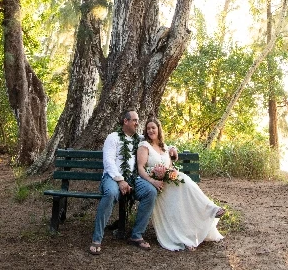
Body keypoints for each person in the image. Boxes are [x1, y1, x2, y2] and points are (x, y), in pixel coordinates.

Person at [137, 116, 225, 251]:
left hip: (170, 182)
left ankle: (209, 210)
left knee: (187, 186)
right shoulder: (144, 146)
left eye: (153, 128)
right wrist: (153, 179)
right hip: (156, 185)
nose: (150, 130)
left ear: (159, 129)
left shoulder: (165, 147)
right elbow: (141, 168)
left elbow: (170, 166)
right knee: (180, 194)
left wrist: (168, 172)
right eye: (148, 128)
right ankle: (182, 238)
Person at [90, 109, 159, 255]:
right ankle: (97, 238)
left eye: (137, 120)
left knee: (150, 191)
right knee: (111, 193)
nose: (137, 123)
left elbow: (157, 143)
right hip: (112, 178)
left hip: (133, 179)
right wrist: (120, 180)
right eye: (134, 120)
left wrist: (173, 148)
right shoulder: (113, 137)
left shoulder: (139, 139)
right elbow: (108, 162)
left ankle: (136, 235)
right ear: (125, 121)